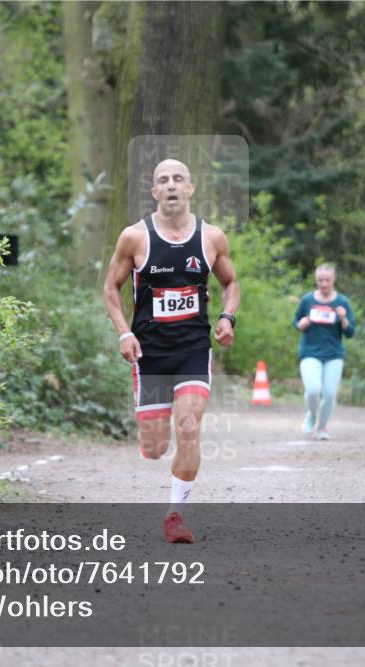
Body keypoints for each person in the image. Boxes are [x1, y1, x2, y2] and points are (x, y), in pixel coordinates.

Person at [103, 159, 239, 543]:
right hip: (149, 355)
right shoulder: (135, 237)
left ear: (191, 188)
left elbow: (231, 282)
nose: (172, 185)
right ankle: (154, 442)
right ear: (155, 192)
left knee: (190, 427)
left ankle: (175, 514)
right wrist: (123, 333)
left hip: (193, 350)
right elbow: (110, 288)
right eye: (164, 180)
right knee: (156, 446)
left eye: (179, 179)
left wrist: (228, 316)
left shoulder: (211, 237)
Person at [293, 264, 355, 440]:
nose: (324, 283)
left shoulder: (342, 303)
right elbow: (296, 321)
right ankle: (312, 414)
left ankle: (322, 427)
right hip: (309, 352)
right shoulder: (307, 300)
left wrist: (343, 318)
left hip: (334, 354)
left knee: (329, 393)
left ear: (333, 280)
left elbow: (350, 333)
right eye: (320, 280)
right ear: (316, 280)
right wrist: (301, 324)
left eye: (327, 280)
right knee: (313, 390)